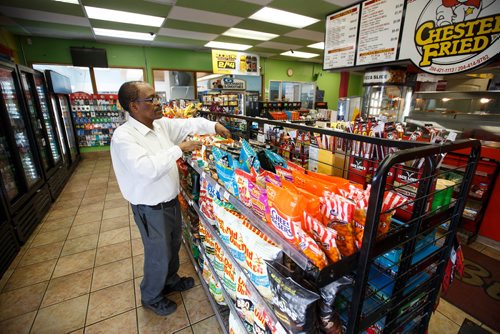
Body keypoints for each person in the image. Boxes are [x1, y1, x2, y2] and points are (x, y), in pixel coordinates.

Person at [110, 81, 231, 316]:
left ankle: (170, 280)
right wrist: (179, 149)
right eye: (152, 99)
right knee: (158, 253)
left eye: (157, 97)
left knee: (173, 245)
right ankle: (151, 296)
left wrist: (214, 126)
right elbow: (146, 169)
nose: (158, 103)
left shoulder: (159, 125)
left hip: (170, 201)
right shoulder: (124, 137)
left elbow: (189, 122)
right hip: (150, 207)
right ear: (134, 106)